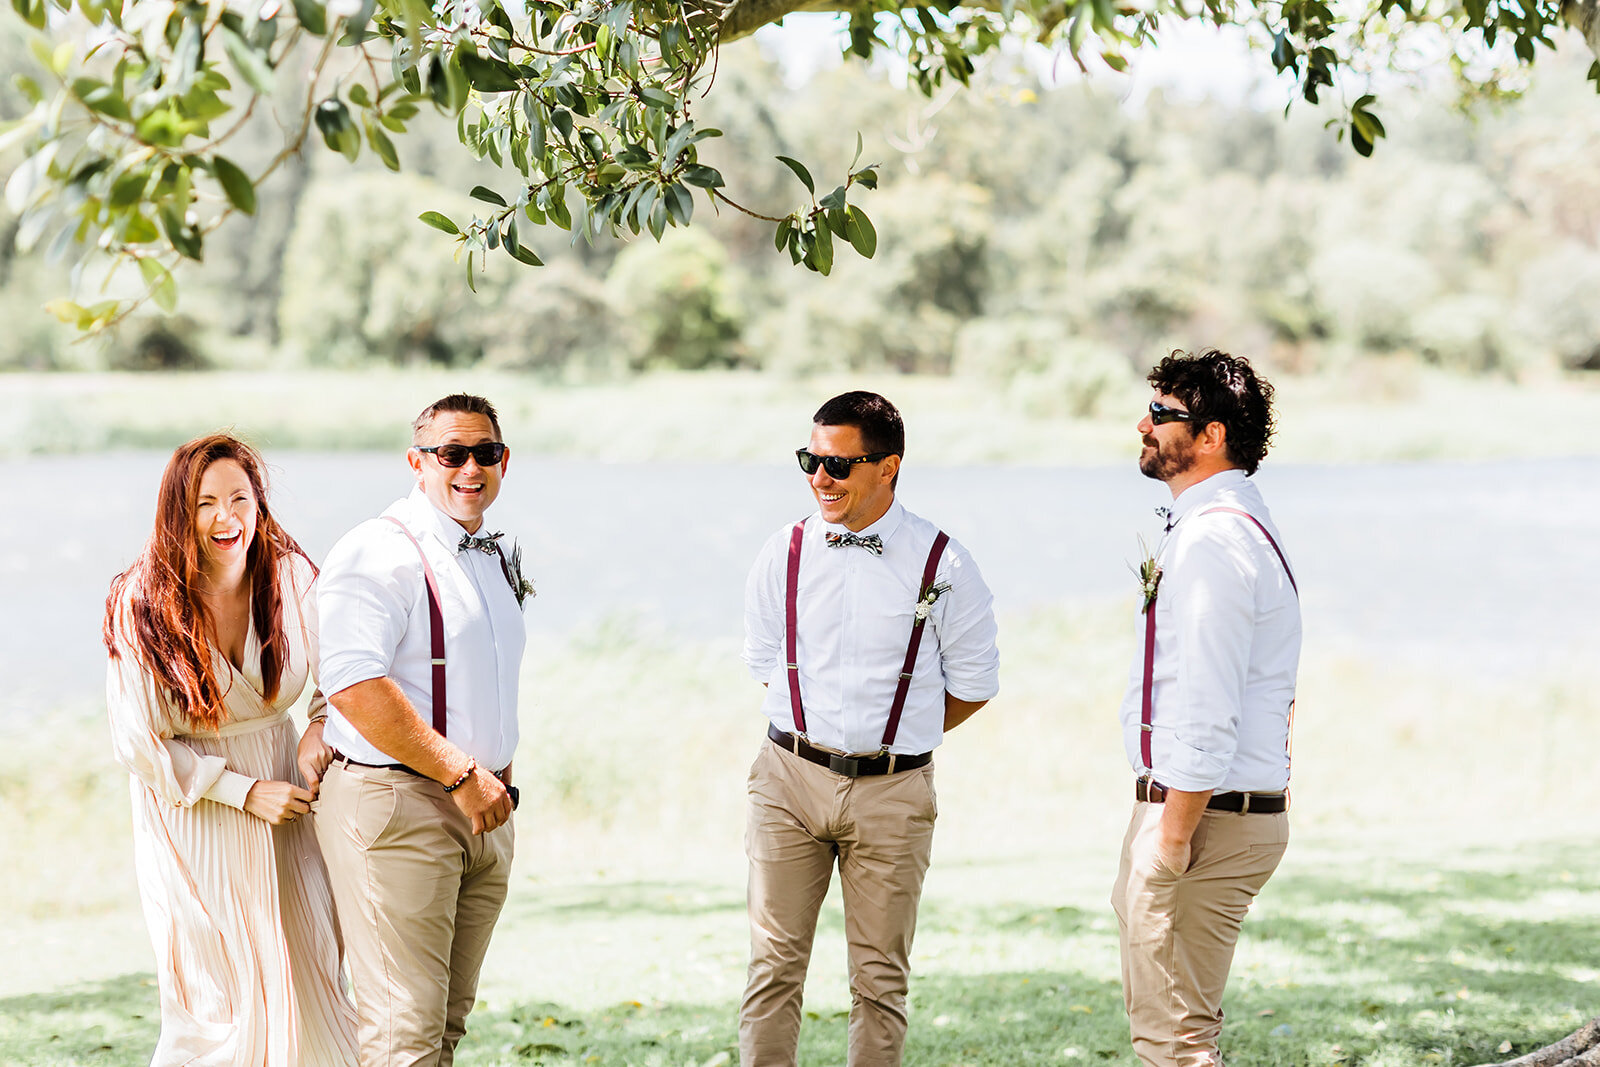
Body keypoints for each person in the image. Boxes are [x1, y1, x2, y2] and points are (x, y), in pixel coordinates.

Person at [739, 390, 1001, 1066]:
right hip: (788, 781)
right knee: (772, 967)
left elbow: (972, 685)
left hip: (894, 789)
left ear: (888, 466)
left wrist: (897, 737)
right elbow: (767, 664)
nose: (818, 479)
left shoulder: (944, 563)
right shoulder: (783, 552)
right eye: (810, 461)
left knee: (880, 979)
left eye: (838, 465)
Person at [103, 433, 358, 1066]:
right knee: (216, 996)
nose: (227, 518)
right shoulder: (144, 602)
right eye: (206, 503)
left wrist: (318, 730)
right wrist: (243, 792)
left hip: (287, 792)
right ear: (178, 513)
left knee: (310, 970)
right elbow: (139, 741)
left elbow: (344, 675)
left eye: (240, 498)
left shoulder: (292, 577)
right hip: (195, 807)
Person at [314, 392, 527, 1066]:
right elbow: (349, 681)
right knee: (403, 1034)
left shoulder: (486, 552)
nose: (470, 467)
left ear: (503, 460)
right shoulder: (379, 551)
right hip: (399, 809)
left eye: (484, 453)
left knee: (442, 1029)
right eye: (451, 454)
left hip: (482, 814)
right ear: (417, 461)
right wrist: (461, 772)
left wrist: (493, 776)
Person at [1111, 350, 1302, 1067]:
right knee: (1176, 1028)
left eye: (1161, 414)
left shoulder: (1217, 538)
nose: (1144, 424)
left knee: (1176, 1043)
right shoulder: (1224, 523)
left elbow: (1207, 699)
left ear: (1212, 435)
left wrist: (1167, 840)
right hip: (1209, 807)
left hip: (1204, 815)